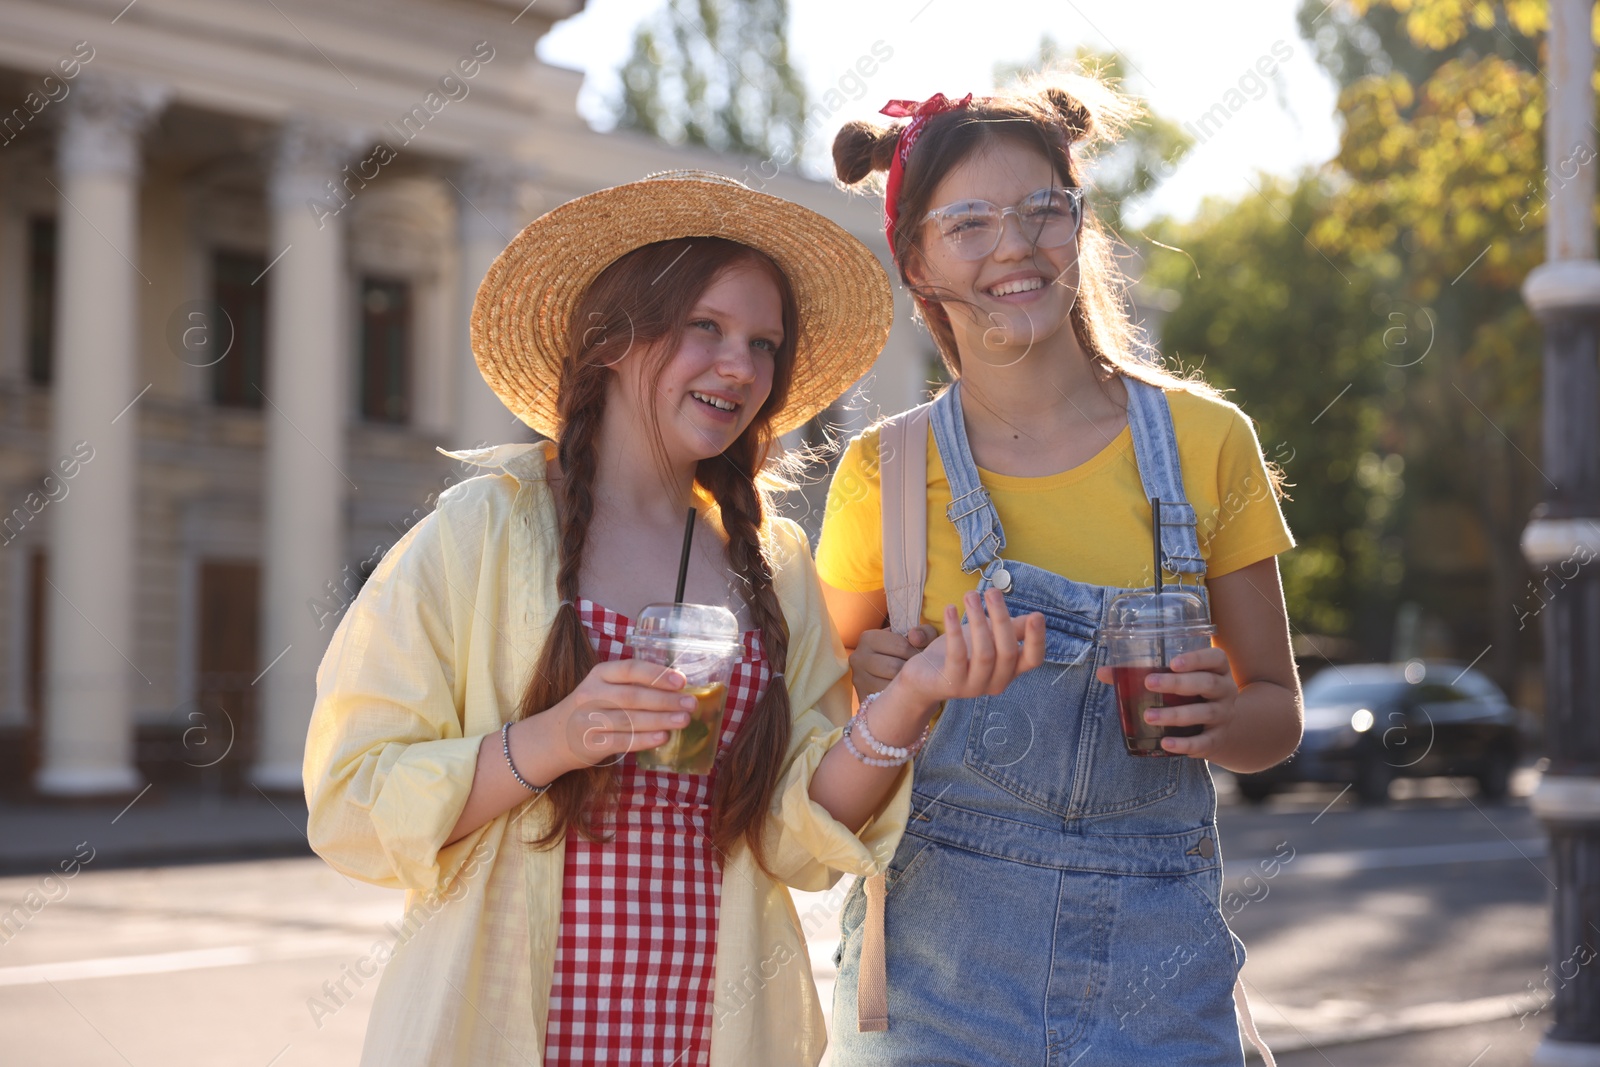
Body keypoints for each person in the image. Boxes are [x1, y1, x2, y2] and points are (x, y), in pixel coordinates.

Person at [302, 170, 1046, 1067]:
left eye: (763, 343)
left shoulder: (771, 565)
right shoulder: (479, 535)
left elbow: (794, 835)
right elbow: (350, 800)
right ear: (614, 338)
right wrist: (551, 739)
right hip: (498, 1031)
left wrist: (910, 699)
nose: (742, 366)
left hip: (715, 1035)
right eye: (708, 327)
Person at [816, 77, 1303, 1065]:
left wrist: (1222, 714)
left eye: (1044, 209)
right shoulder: (885, 473)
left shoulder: (1208, 442)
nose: (1014, 245)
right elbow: (823, 767)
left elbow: (1275, 718)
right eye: (969, 223)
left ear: (1079, 226)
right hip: (932, 984)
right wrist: (887, 691)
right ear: (915, 261)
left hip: (1159, 981)